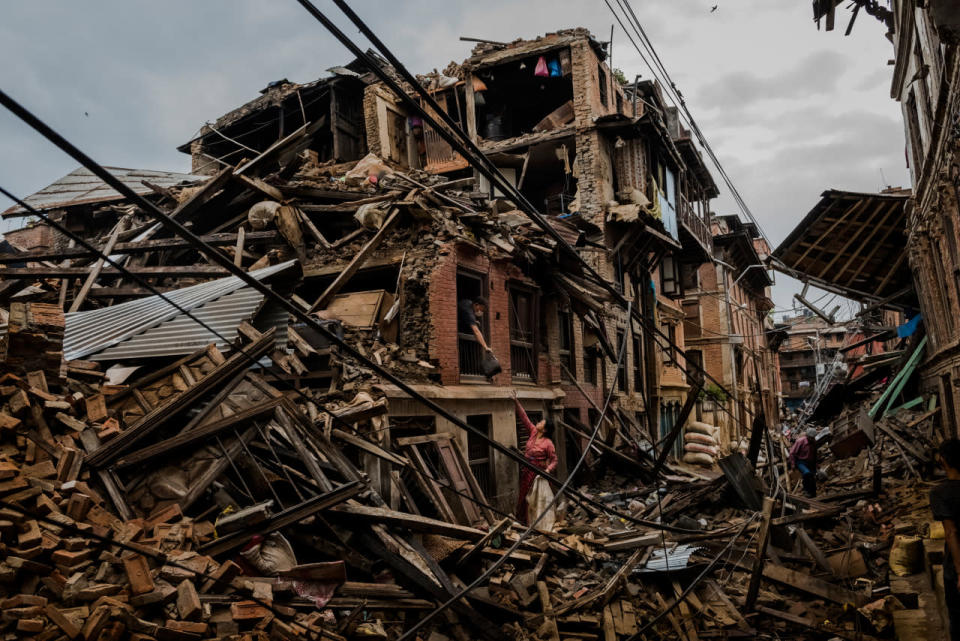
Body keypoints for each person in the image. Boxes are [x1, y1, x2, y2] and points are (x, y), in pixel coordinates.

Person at [512, 391, 558, 528]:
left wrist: (548, 470)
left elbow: (554, 460)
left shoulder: (548, 443)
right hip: (526, 470)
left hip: (538, 473)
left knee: (536, 499)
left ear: (544, 430)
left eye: (542, 422)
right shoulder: (533, 432)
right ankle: (523, 522)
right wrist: (516, 401)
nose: (538, 422)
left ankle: (535, 523)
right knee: (523, 497)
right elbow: (524, 418)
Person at [931, 438, 960, 640]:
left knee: (957, 621)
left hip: (956, 566)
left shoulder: (940, 493)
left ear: (943, 460)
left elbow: (951, 533)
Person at [789, 427, 818, 497]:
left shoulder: (813, 442)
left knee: (813, 475)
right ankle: (806, 491)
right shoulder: (800, 441)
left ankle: (813, 492)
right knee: (807, 474)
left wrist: (816, 464)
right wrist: (793, 464)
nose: (812, 439)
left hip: (810, 462)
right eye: (811, 438)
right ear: (807, 436)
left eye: (813, 437)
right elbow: (792, 453)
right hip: (800, 462)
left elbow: (815, 453)